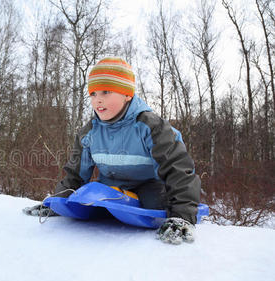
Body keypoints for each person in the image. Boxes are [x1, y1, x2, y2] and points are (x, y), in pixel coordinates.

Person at [23, 57, 201, 245]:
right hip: (112, 188)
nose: (97, 100)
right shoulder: (89, 132)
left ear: (127, 95)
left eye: (106, 92)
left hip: (151, 185)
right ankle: (115, 204)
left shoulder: (151, 127)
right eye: (92, 94)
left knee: (154, 202)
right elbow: (75, 174)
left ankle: (146, 205)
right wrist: (56, 204)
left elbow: (178, 170)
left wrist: (182, 216)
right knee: (87, 196)